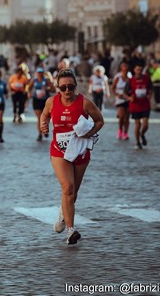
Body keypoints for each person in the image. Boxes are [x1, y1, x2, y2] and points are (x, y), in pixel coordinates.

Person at [40, 69, 104, 245]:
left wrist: (89, 134)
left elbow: (100, 120)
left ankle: (63, 212)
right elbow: (44, 115)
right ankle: (71, 230)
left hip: (80, 151)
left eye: (71, 86)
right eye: (63, 87)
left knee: (73, 192)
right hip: (59, 151)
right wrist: (43, 125)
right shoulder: (51, 102)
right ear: (57, 87)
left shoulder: (85, 103)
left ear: (76, 86)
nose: (67, 90)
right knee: (67, 187)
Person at [126, 62, 152, 149]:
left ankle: (142, 134)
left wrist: (149, 95)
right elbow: (124, 93)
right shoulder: (130, 80)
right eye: (137, 69)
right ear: (134, 70)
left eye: (140, 70)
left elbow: (150, 89)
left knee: (145, 125)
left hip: (145, 104)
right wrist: (130, 98)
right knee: (137, 124)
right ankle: (137, 142)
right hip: (135, 105)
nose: (139, 71)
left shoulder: (147, 79)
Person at [28, 67, 55, 141]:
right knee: (39, 118)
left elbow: (53, 89)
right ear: (37, 73)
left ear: (43, 73)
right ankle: (40, 134)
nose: (40, 74)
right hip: (36, 100)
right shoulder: (34, 80)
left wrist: (47, 89)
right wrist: (29, 93)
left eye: (41, 72)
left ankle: (45, 130)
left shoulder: (46, 80)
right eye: (38, 72)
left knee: (45, 117)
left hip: (45, 101)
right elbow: (28, 88)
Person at [111, 62, 132, 140]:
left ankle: (126, 133)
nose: (125, 71)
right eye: (124, 70)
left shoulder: (130, 79)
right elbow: (113, 88)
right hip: (120, 99)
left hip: (127, 99)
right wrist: (116, 94)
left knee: (127, 117)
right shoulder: (118, 78)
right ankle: (120, 130)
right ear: (121, 70)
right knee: (121, 116)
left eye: (126, 70)